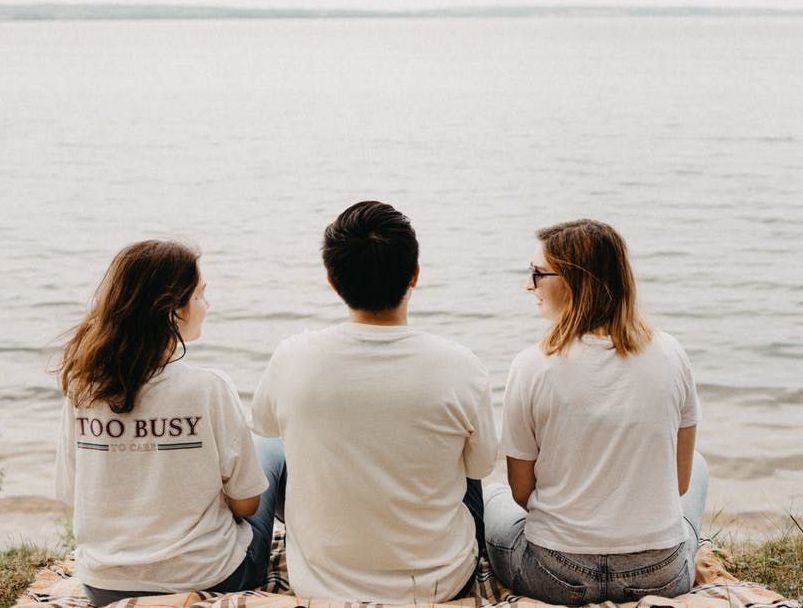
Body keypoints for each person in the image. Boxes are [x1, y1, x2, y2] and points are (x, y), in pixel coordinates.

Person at [251, 200, 498, 603]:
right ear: (414, 274)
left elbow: (264, 427)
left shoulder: (294, 356)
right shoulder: (460, 365)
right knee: (462, 456)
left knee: (273, 446)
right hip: (441, 581)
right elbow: (482, 466)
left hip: (318, 585)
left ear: (332, 280)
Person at [484, 219, 709, 605]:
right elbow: (680, 483)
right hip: (660, 576)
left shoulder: (531, 365)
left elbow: (522, 493)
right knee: (699, 465)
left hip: (555, 574)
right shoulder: (672, 354)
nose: (528, 285)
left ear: (574, 280)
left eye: (537, 274)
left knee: (492, 495)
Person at [54, 240, 285, 607]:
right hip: (214, 576)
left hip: (103, 583)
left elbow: (73, 491)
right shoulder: (208, 387)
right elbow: (245, 505)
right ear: (173, 311)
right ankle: (319, 555)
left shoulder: (82, 388)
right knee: (271, 449)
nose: (207, 306)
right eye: (200, 295)